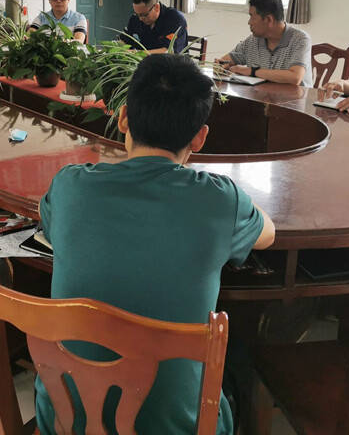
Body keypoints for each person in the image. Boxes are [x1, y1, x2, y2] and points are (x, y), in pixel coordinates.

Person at [35, 54, 275, 435]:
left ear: (123, 118)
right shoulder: (219, 200)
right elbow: (268, 234)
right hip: (176, 427)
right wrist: (234, 204)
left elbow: (45, 216)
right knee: (235, 372)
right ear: (200, 137)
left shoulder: (70, 186)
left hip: (67, 419)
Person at [216, 0, 312, 87]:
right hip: (260, 95)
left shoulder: (300, 39)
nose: (249, 22)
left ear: (269, 19)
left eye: (252, 17)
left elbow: (295, 77)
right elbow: (226, 60)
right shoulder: (253, 40)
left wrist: (251, 71)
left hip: (294, 96)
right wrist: (221, 65)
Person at [122, 0, 188, 54]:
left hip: (169, 60)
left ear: (156, 7)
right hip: (142, 59)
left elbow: (168, 51)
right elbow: (124, 40)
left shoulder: (175, 19)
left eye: (144, 15)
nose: (140, 19)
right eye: (137, 14)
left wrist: (136, 53)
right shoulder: (135, 18)